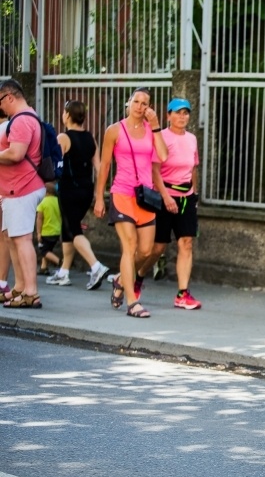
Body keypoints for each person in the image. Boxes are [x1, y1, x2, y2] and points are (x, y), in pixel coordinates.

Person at [95, 87, 167, 318]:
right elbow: (105, 165)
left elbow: (163, 156)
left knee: (145, 251)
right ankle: (132, 302)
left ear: (149, 107)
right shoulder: (114, 130)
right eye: (136, 101)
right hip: (122, 193)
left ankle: (120, 279)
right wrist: (99, 197)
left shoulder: (151, 130)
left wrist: (156, 126)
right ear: (128, 103)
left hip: (145, 197)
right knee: (130, 246)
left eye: (145, 103)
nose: (140, 106)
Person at [136, 97, 202, 310]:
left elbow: (193, 168)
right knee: (157, 248)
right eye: (178, 112)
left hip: (186, 197)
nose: (182, 117)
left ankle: (182, 294)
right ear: (168, 116)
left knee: (186, 242)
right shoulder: (161, 136)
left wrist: (195, 195)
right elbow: (155, 170)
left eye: (186, 113)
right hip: (164, 196)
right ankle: (138, 276)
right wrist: (166, 197)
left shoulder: (192, 139)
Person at [47, 100, 109, 290]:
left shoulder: (63, 138)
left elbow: (54, 165)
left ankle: (96, 266)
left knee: (74, 230)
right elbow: (100, 168)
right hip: (86, 191)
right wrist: (99, 194)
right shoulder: (90, 138)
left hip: (69, 191)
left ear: (67, 115)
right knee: (68, 230)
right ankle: (64, 272)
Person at [0, 79, 46, 308]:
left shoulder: (21, 120)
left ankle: (31, 292)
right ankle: (20, 287)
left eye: (0, 101)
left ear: (9, 97)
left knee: (23, 240)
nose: (1, 107)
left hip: (22, 187)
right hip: (16, 188)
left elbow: (16, 153)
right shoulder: (27, 117)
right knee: (14, 239)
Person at [36, 181, 61, 276]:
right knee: (48, 249)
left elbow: (39, 219)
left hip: (46, 231)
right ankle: (44, 267)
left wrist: (38, 233)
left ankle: (60, 262)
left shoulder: (43, 202)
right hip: (57, 231)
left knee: (44, 251)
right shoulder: (58, 201)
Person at [0, 115, 12, 298]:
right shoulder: (11, 126)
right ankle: (2, 282)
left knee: (4, 236)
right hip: (9, 188)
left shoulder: (5, 128)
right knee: (5, 236)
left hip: (5, 187)